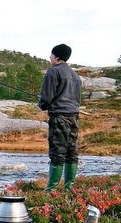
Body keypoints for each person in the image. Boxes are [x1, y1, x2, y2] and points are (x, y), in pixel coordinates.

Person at [38, 44, 82, 191]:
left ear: (57, 57)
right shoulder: (75, 76)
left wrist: (42, 104)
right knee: (71, 151)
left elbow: (46, 98)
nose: (49, 57)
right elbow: (77, 100)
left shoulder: (53, 72)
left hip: (59, 117)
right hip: (74, 117)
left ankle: (51, 189)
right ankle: (69, 187)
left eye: (51, 55)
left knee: (57, 151)